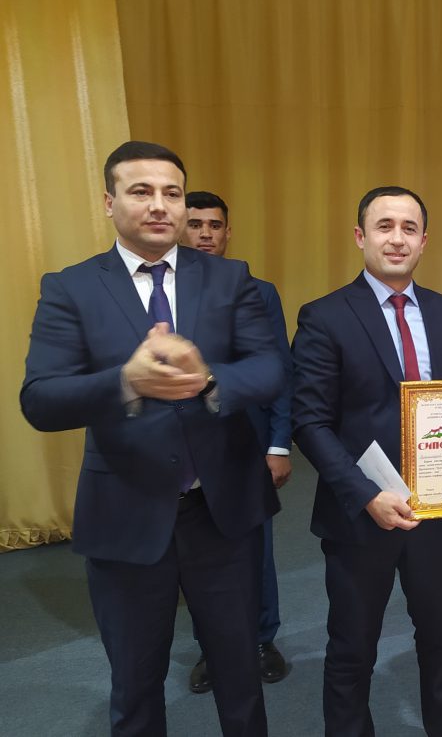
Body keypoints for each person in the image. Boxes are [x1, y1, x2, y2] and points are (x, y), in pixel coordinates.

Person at [21, 141, 284, 736]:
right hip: (126, 513)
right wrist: (126, 381)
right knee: (136, 683)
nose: (160, 205)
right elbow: (40, 399)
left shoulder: (229, 277)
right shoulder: (71, 288)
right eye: (141, 191)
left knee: (240, 675)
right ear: (109, 201)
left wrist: (210, 378)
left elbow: (270, 370)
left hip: (221, 512)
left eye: (172, 193)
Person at [290, 186, 442, 736]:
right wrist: (366, 494)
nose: (397, 238)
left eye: (409, 228)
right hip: (359, 514)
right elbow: (309, 423)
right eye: (384, 226)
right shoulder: (325, 316)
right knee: (352, 648)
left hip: (435, 511)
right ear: (360, 236)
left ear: (424, 241)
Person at [181, 191, 292, 690]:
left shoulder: (258, 292)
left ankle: (263, 639)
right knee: (196, 555)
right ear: (179, 230)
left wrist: (279, 444)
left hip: (246, 442)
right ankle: (212, 649)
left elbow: (280, 373)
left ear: (228, 233)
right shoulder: (163, 295)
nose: (205, 233)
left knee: (254, 548)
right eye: (196, 224)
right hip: (186, 450)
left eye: (215, 225)